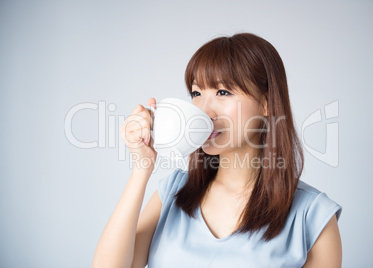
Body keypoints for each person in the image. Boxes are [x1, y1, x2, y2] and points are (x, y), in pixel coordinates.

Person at [92, 33, 342, 268]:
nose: (203, 110)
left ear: (266, 103)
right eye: (196, 93)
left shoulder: (313, 215)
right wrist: (141, 166)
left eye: (223, 92)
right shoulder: (174, 191)